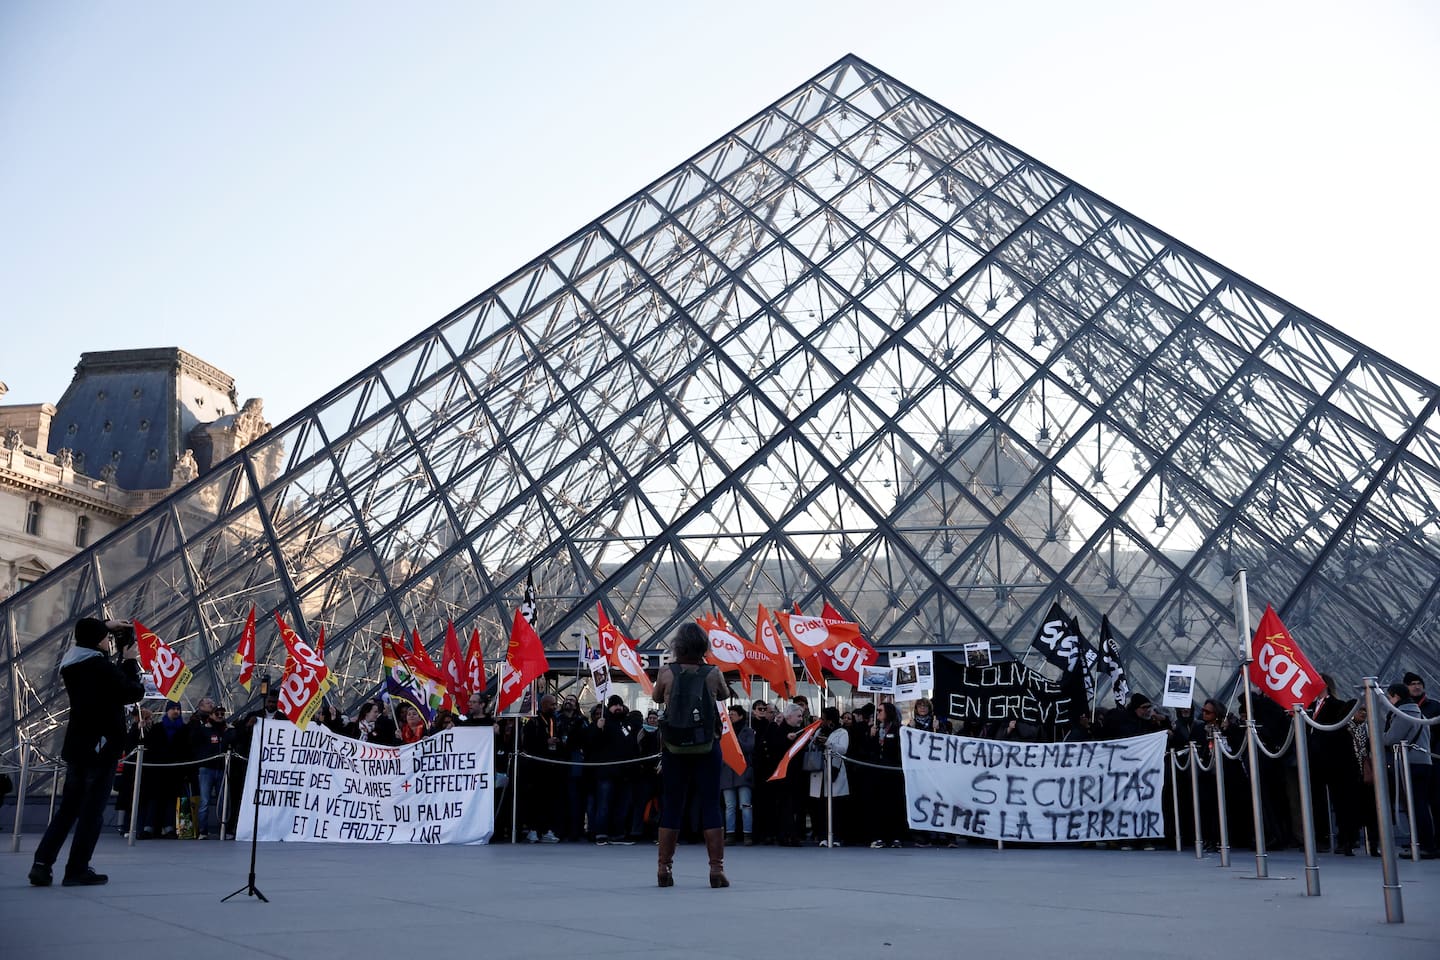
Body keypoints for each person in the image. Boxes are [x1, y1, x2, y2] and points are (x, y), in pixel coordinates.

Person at [29, 617, 146, 887]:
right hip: (101, 748)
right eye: (105, 637)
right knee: (92, 812)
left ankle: (42, 864)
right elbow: (133, 692)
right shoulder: (99, 667)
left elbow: (86, 630)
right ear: (97, 641)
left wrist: (106, 625)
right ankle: (77, 868)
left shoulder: (73, 663)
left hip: (78, 746)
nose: (109, 641)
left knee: (67, 810)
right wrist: (129, 660)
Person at [652, 622, 731, 887]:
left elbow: (656, 697)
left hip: (674, 747)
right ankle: (716, 870)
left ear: (678, 646)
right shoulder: (712, 672)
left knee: (672, 804)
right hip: (707, 745)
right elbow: (724, 694)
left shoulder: (666, 672)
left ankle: (664, 869)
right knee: (710, 803)